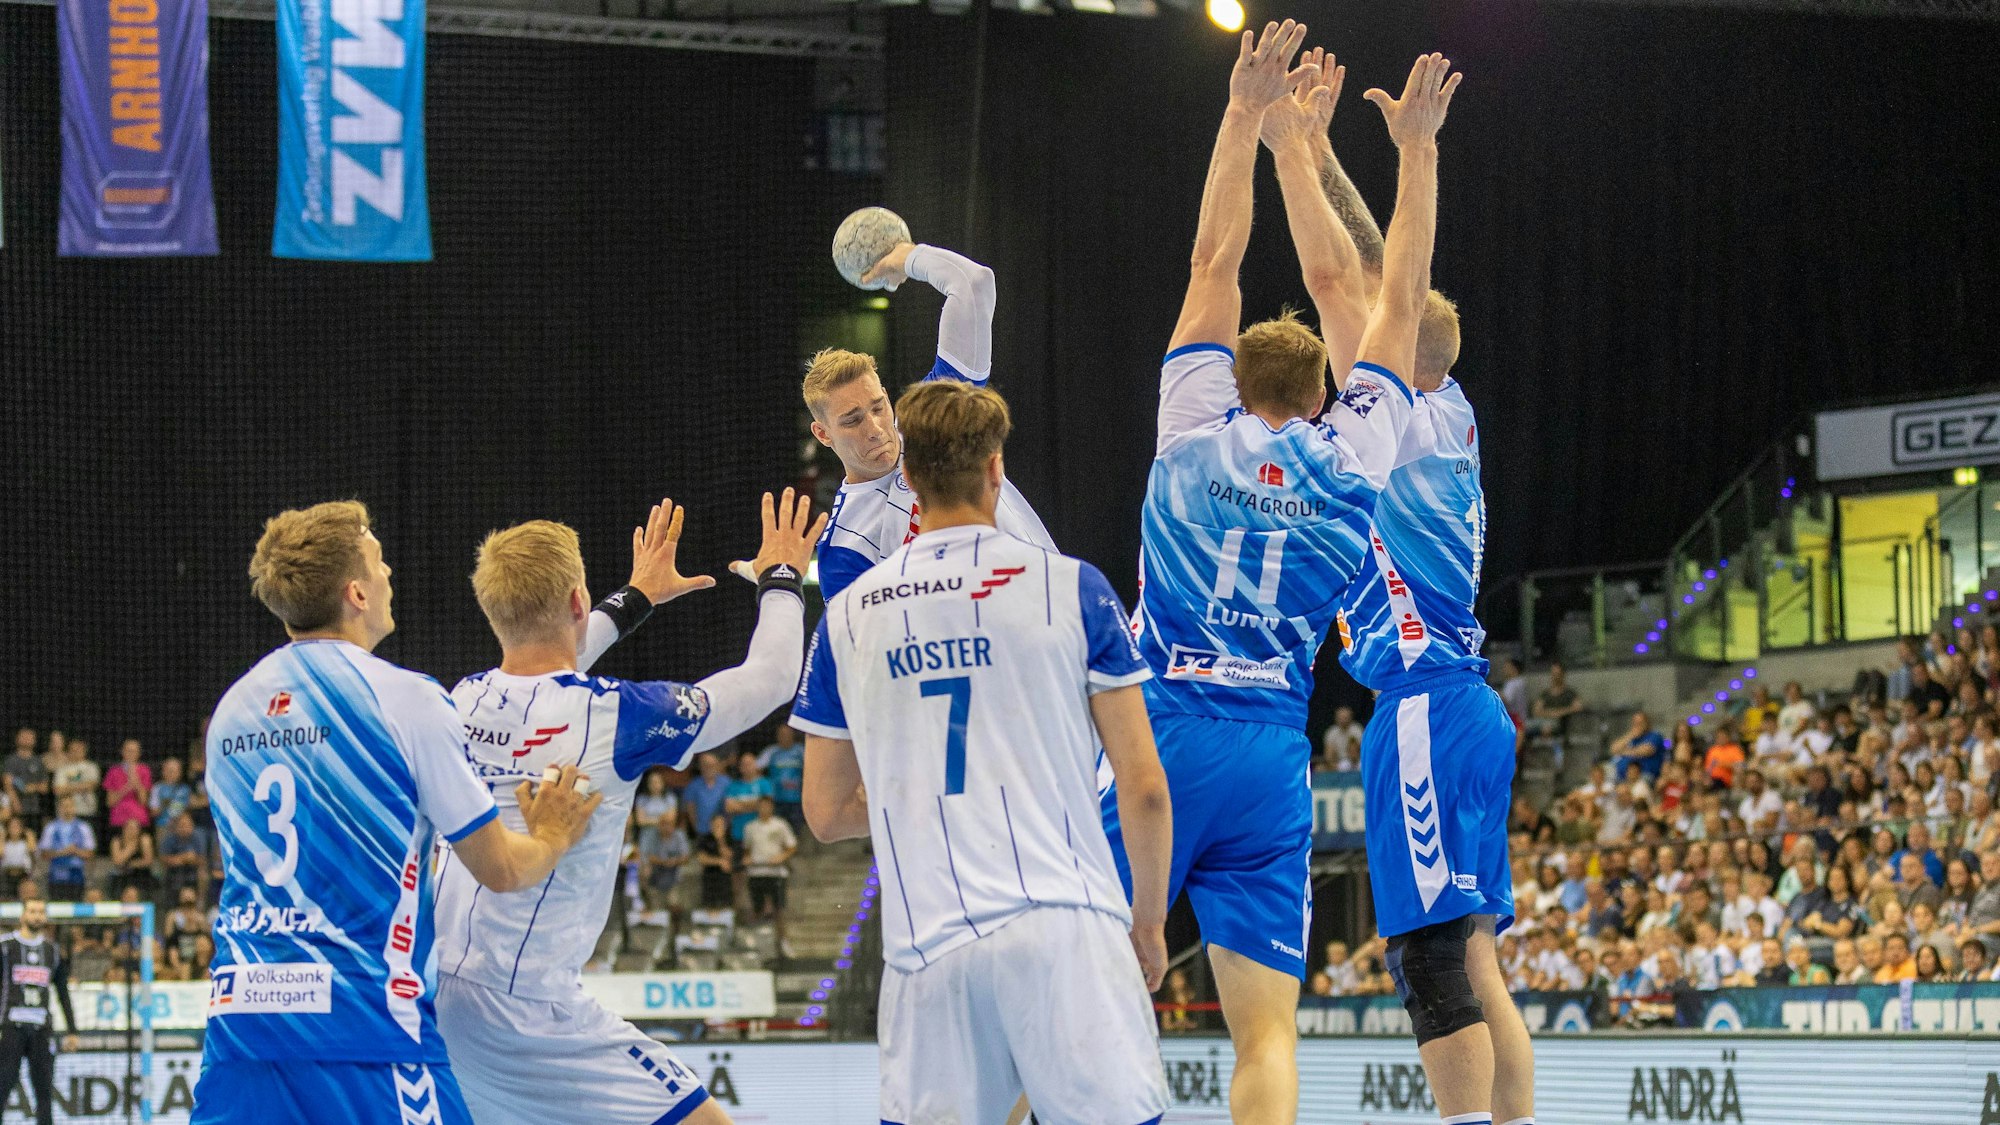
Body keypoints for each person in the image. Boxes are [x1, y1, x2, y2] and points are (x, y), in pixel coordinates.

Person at [1100, 26, 1432, 1122]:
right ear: (1326, 390)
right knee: (1267, 1033)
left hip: (1162, 728)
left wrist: (1243, 114)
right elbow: (1380, 293)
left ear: (1231, 379)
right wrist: (1392, 153)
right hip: (1270, 750)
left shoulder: (1192, 429)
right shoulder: (1356, 456)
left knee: (1075, 998)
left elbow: (1215, 264)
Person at [793, 377, 1174, 1125]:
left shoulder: (847, 617)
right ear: (996, 467)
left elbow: (826, 812)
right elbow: (1145, 787)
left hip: (929, 947)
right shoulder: (1073, 588)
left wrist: (919, 795)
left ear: (908, 477)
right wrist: (1150, 923)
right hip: (1066, 925)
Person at [191, 501, 601, 1125]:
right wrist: (551, 834)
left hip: (240, 1029)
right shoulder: (405, 699)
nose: (389, 575)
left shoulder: (234, 709)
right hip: (364, 1031)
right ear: (356, 593)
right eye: (379, 563)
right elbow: (501, 869)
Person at [434, 493, 820, 1125]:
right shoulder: (617, 718)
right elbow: (773, 677)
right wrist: (782, 576)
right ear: (577, 601)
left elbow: (546, 667)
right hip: (526, 1011)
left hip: (435, 989)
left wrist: (633, 599)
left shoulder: (464, 701)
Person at [1294, 46, 1517, 1125]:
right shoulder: (1447, 409)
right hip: (1468, 703)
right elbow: (1386, 275)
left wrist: (1310, 149)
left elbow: (1351, 283)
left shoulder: (1403, 423)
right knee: (1472, 958)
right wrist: (1330, 149)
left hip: (1425, 702)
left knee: (1428, 959)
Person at [804, 238, 1054, 602]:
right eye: (852, 420)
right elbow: (862, 637)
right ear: (823, 434)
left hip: (1057, 611)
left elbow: (974, 284)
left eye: (878, 407)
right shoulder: (845, 548)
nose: (875, 430)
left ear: (887, 397)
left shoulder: (931, 421)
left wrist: (909, 258)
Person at [0, 900, 78, 1125]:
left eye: (41, 912)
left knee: (44, 1093)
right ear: (23, 915)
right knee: (3, 1086)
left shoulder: (52, 951)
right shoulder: (6, 947)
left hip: (41, 1030)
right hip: (11, 1027)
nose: (37, 916)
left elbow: (62, 992)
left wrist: (72, 1030)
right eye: (32, 911)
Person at [742, 796, 798, 950]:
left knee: (778, 910)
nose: (764, 809)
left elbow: (792, 846)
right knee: (757, 909)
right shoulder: (750, 827)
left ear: (772, 807)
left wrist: (781, 857)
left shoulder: (780, 825)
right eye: (761, 806)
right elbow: (747, 849)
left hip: (776, 872)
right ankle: (756, 943)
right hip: (757, 872)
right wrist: (748, 859)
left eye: (767, 806)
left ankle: (783, 942)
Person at [37, 798, 93, 903]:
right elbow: (44, 854)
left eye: (70, 806)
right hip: (56, 876)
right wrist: (62, 852)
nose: (67, 809)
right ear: (59, 808)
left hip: (77, 876)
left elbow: (90, 854)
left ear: (74, 808)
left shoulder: (84, 827)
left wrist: (75, 851)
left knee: (76, 907)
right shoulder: (50, 828)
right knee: (57, 907)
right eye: (64, 806)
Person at [103, 739, 153, 830]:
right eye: (128, 750)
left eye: (134, 751)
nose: (131, 754)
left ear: (139, 753)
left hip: (139, 818)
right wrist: (128, 786)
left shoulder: (144, 770)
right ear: (122, 752)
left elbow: (143, 801)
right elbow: (110, 802)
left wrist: (136, 781)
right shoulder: (113, 771)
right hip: (119, 817)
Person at [694, 814, 735, 910]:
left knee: (726, 908)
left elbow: (729, 856)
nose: (718, 827)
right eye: (716, 824)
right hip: (709, 878)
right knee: (709, 908)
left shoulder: (729, 839)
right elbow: (702, 859)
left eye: (721, 825)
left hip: (724, 880)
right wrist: (719, 861)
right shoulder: (704, 839)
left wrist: (720, 840)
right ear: (711, 825)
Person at [1321, 706, 1364, 771]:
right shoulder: (1331, 732)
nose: (1343, 720)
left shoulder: (1357, 729)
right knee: (1320, 768)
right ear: (1336, 718)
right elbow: (1328, 755)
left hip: (1356, 761)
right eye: (1340, 718)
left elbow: (1360, 749)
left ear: (1350, 717)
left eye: (1345, 717)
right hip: (1339, 763)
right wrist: (1335, 767)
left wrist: (1354, 761)